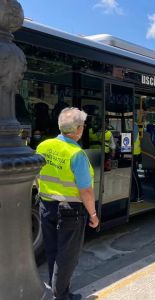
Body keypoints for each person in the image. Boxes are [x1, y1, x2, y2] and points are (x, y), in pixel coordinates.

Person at [36, 107, 99, 300]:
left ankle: (57, 289)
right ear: (78, 129)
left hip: (46, 206)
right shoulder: (76, 154)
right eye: (83, 125)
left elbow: (37, 175)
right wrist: (94, 215)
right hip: (70, 211)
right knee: (67, 256)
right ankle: (61, 295)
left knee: (53, 249)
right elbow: (86, 191)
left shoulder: (43, 146)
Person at [131, 122, 143, 202]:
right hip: (131, 153)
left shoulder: (134, 125)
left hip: (134, 154)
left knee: (134, 175)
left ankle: (139, 195)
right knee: (132, 175)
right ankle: (134, 194)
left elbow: (133, 138)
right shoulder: (130, 124)